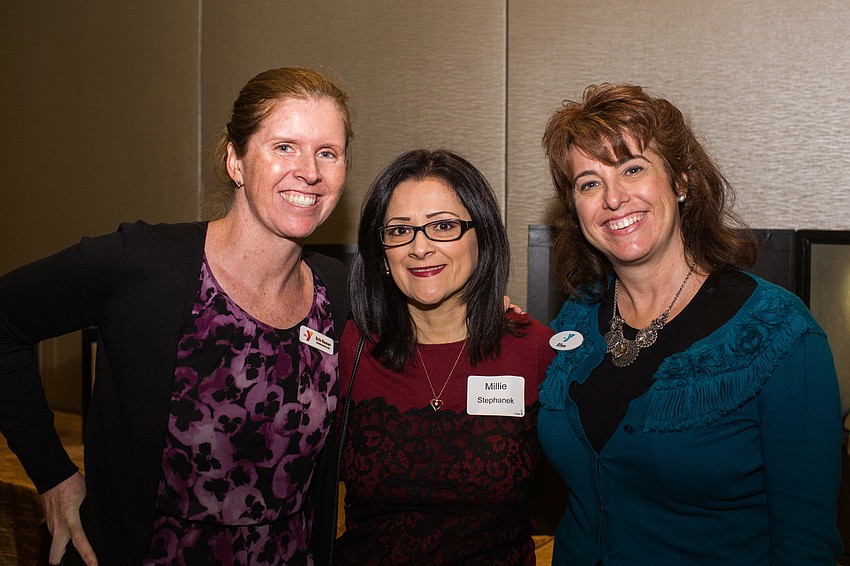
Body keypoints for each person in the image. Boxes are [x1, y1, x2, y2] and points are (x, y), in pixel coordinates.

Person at [0, 67, 353, 565]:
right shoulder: (143, 265)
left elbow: (415, 342)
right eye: (284, 146)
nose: (310, 171)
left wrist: (502, 320)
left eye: (328, 153)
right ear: (236, 160)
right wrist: (51, 473)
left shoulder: (335, 292)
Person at [537, 83, 843, 564]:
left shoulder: (782, 335)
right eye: (589, 183)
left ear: (680, 182)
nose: (613, 199)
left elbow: (806, 545)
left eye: (632, 169)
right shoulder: (574, 320)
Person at [333, 148, 555, 564]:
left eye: (443, 226)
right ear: (382, 255)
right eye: (400, 231)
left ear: (481, 237)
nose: (420, 248)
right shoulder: (350, 346)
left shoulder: (536, 351)